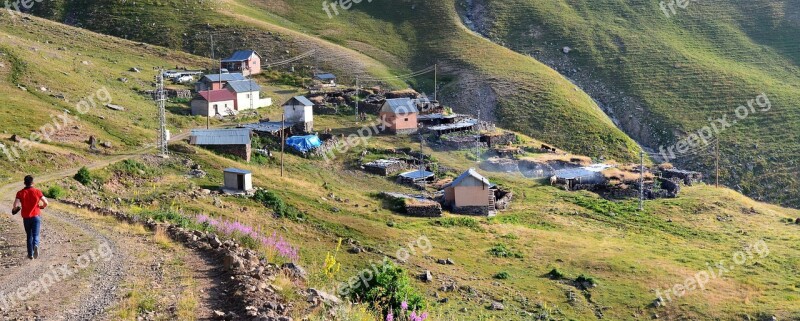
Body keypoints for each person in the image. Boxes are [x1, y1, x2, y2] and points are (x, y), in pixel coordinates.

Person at [11, 175, 48, 260]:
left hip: (26, 218)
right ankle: (36, 245)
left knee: (29, 235)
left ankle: (30, 254)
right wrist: (42, 207)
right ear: (33, 183)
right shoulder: (37, 191)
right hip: (36, 216)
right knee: (36, 234)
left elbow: (15, 205)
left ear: (24, 183)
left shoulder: (20, 193)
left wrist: (15, 210)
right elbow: (46, 202)